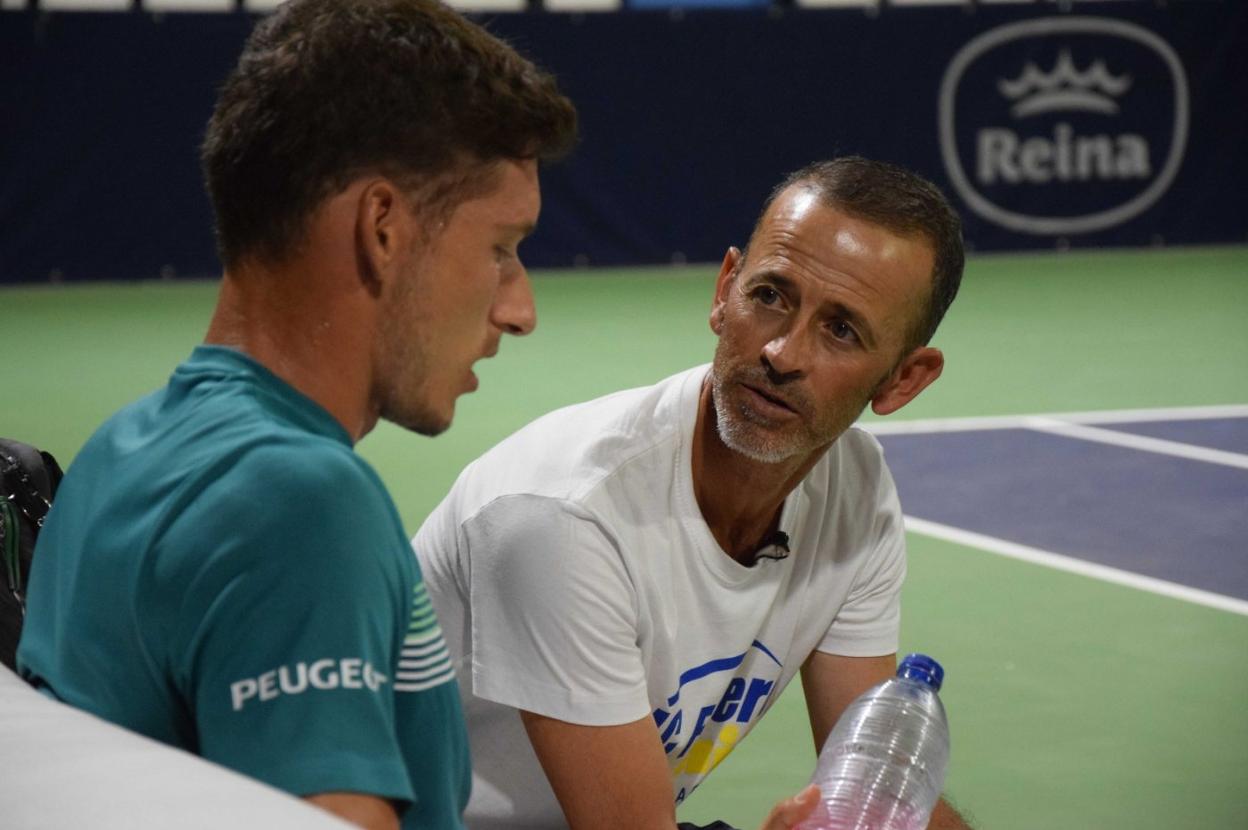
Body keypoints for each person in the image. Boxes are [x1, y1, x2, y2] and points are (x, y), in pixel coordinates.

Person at [16, 2, 576, 829]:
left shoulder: (119, 449)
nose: (520, 309)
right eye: (501, 247)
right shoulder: (299, 503)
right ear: (382, 228)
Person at [413, 156, 974, 830]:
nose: (783, 354)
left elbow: (869, 789)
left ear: (904, 380)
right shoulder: (564, 514)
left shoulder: (854, 492)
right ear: (725, 289)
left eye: (841, 330)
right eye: (770, 296)